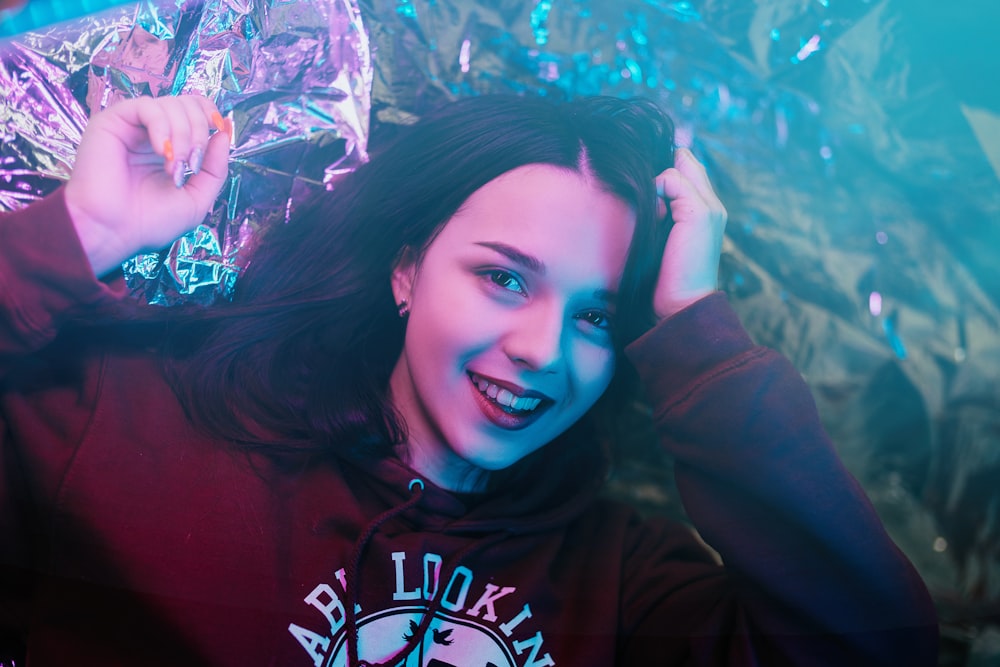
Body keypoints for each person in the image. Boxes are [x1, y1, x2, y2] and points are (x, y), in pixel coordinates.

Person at [0, 93, 937, 666]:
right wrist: (85, 233)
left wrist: (696, 327)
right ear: (407, 271)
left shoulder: (618, 582)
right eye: (503, 277)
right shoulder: (132, 422)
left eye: (597, 316)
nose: (543, 348)